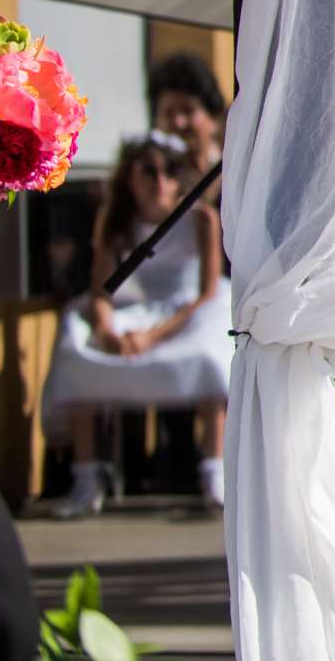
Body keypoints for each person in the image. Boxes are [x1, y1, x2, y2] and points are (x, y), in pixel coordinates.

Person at [41, 133, 231, 516]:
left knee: (213, 343)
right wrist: (108, 332)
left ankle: (215, 471)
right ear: (130, 178)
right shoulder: (115, 222)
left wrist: (151, 337)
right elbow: (101, 291)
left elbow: (205, 293)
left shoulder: (201, 219)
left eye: (168, 172)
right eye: (148, 171)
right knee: (75, 341)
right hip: (130, 314)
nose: (159, 181)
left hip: (184, 317)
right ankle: (87, 476)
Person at [147, 51, 227, 181]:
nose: (179, 123)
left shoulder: (232, 175)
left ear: (213, 118)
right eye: (168, 113)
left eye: (188, 110)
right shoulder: (154, 188)